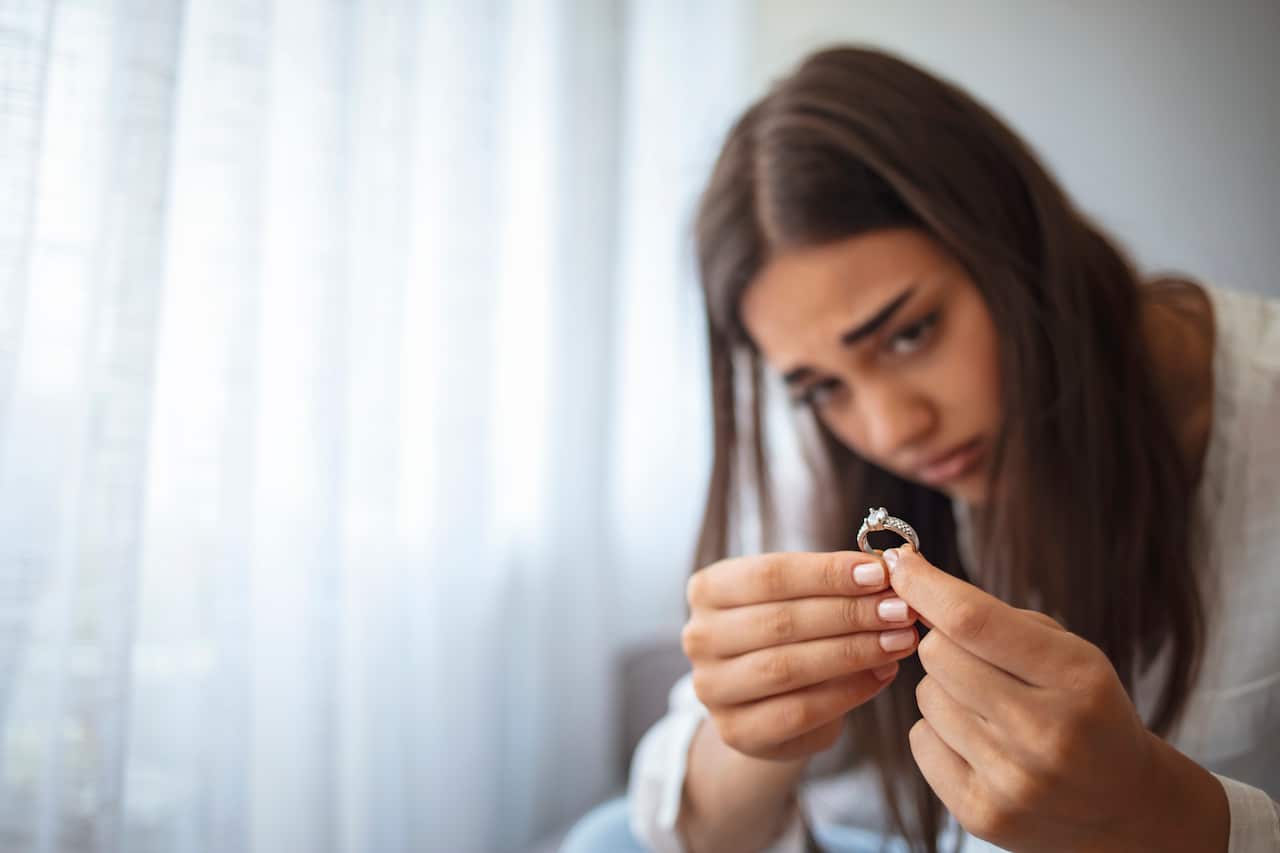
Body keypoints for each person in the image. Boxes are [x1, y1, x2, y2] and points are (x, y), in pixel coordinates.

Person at [563, 45, 1280, 852]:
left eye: (910, 334)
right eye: (820, 387)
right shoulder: (841, 466)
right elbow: (685, 821)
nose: (890, 430)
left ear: (1012, 235)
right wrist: (754, 733)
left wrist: (1162, 811)